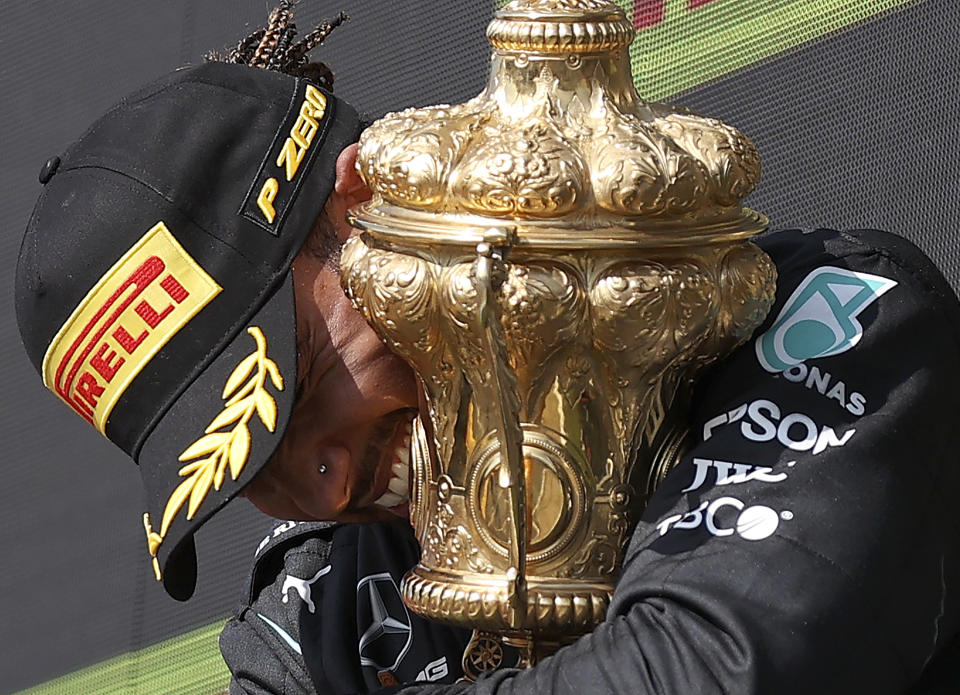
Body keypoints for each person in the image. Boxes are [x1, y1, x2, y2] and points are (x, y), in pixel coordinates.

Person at [14, 4, 960, 694]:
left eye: (293, 393)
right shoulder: (324, 604)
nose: (328, 485)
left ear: (363, 209)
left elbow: (723, 668)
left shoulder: (826, 318)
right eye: (245, 467)